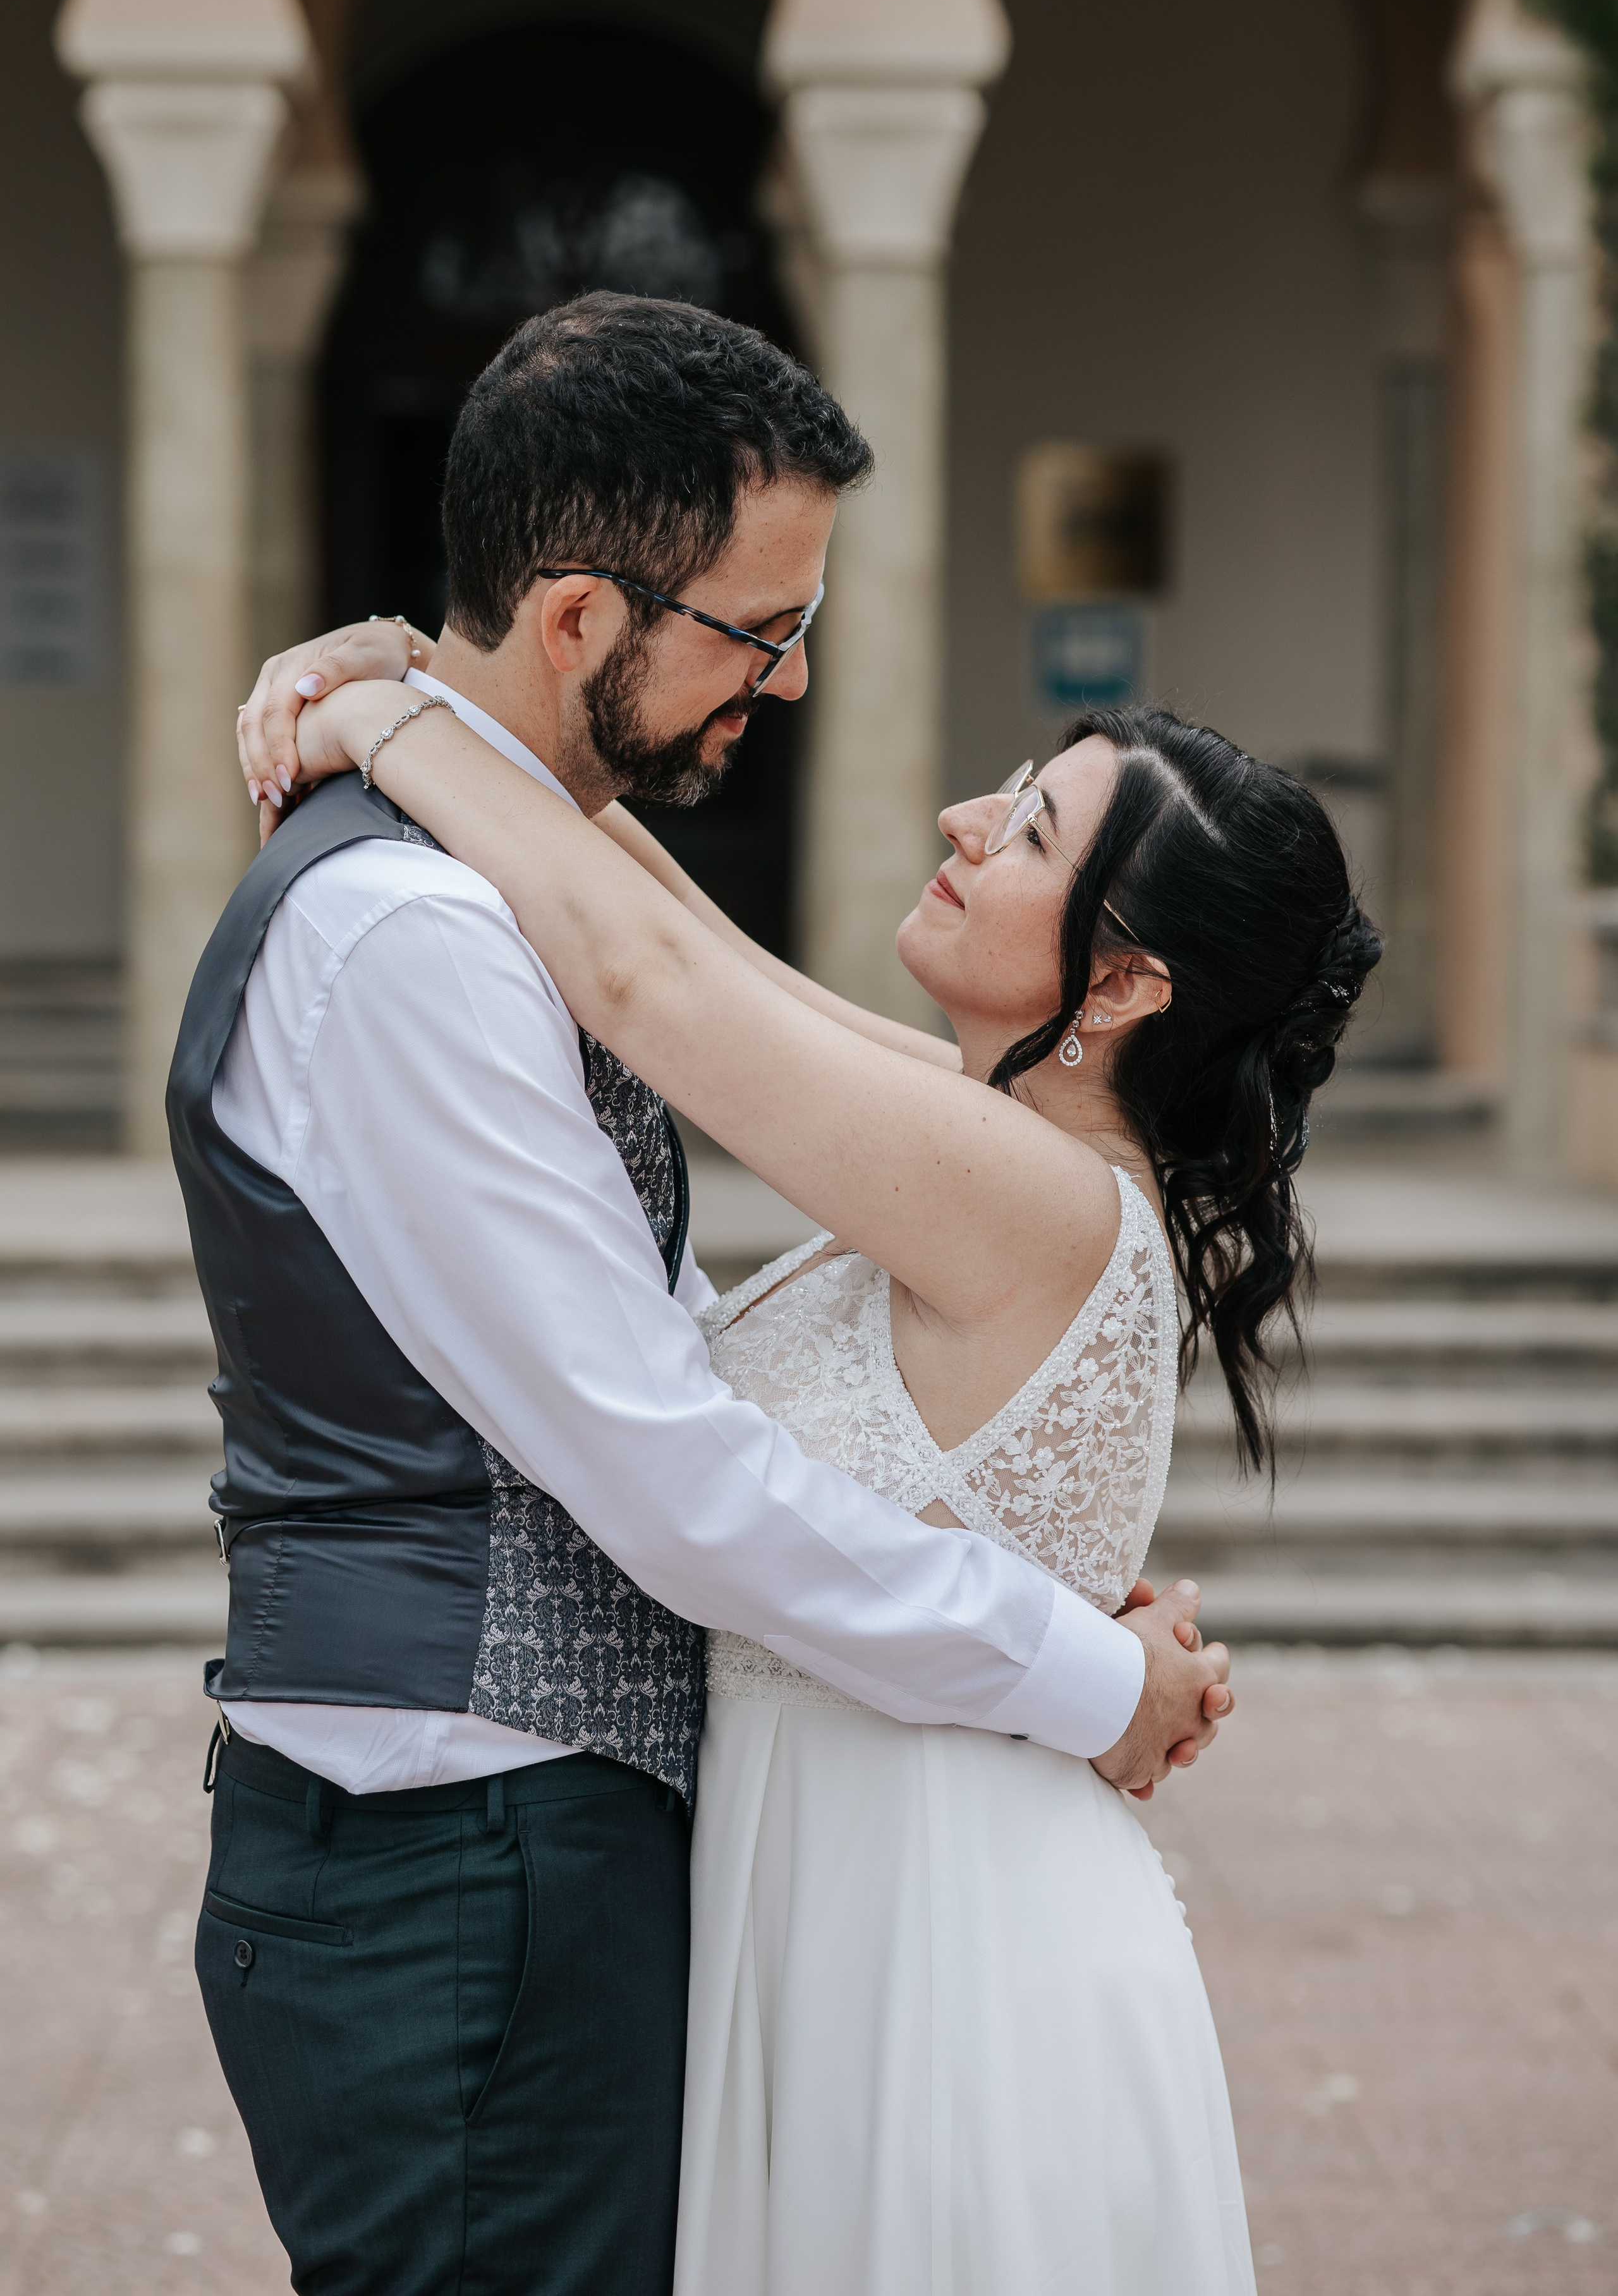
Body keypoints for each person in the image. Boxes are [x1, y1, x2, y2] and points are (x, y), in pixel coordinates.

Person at [183, 292, 1231, 2296]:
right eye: (763, 629)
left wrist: (401, 690)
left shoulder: (500, 892)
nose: (804, 680)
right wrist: (1094, 1676)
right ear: (583, 623)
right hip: (456, 1861)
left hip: (640, 1871)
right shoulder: (415, 936)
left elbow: (692, 980)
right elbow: (670, 1470)